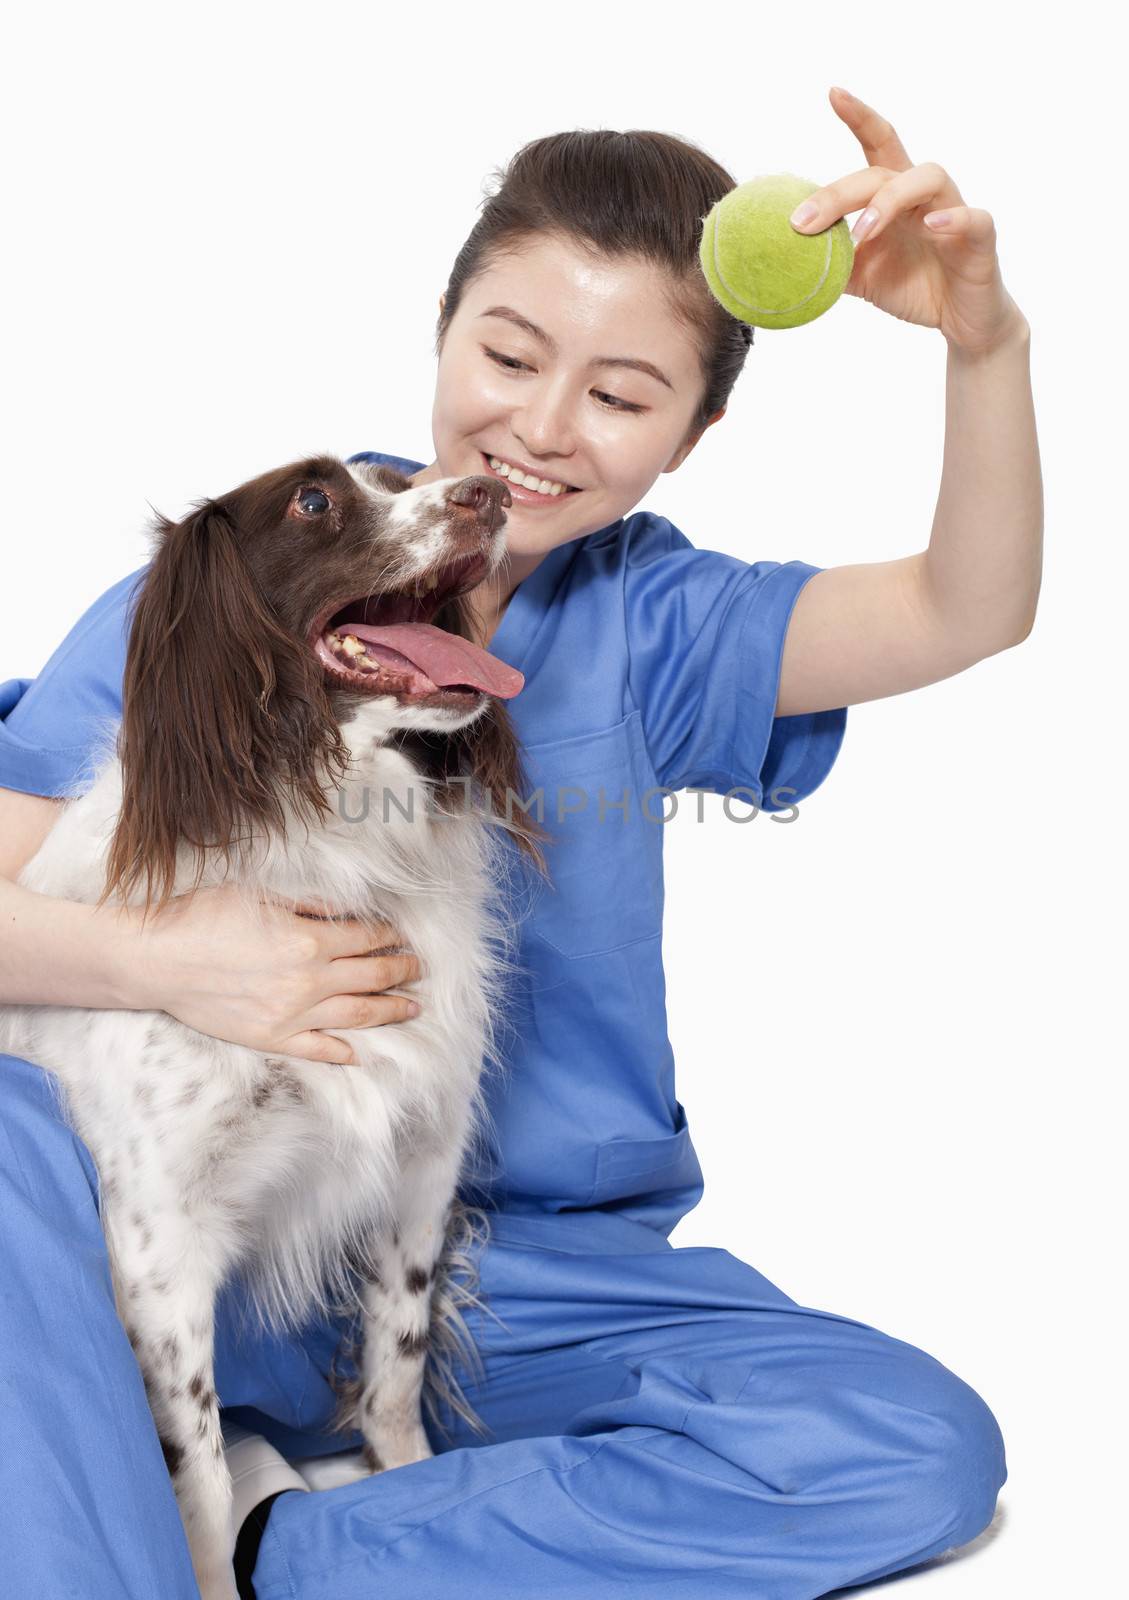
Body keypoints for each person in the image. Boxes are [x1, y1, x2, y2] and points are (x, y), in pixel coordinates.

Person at [0, 89, 1038, 1600]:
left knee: (910, 1445)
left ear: (694, 435)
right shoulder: (235, 588)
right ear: (441, 330)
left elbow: (969, 608)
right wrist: (165, 954)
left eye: (622, 398)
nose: (540, 428)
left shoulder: (657, 625)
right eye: (504, 355)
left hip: (511, 1276)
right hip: (152, 1231)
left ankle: (290, 1544)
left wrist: (985, 346)